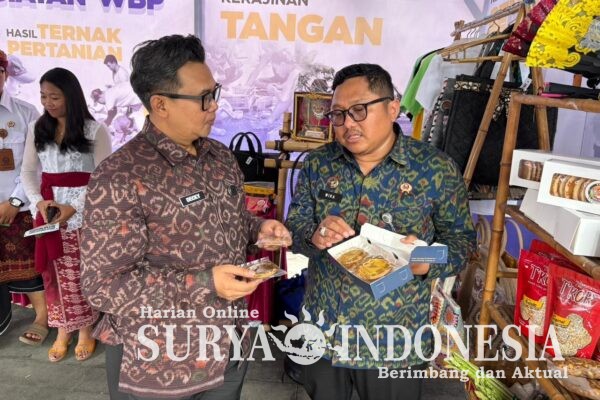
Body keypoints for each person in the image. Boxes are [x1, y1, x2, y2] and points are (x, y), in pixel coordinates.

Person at [79, 34, 291, 400]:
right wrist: (205, 283)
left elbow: (230, 221)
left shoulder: (220, 158)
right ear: (160, 104)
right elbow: (104, 285)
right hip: (157, 361)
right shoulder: (121, 176)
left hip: (228, 343)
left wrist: (258, 228)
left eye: (215, 92)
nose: (214, 106)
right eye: (203, 97)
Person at [285, 63, 476, 400]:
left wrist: (426, 259)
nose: (348, 123)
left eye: (359, 110)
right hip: (323, 332)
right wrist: (313, 235)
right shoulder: (318, 164)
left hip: (393, 340)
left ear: (392, 108)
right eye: (338, 114)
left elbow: (462, 243)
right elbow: (295, 227)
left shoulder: (435, 169)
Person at [20, 67, 112, 362]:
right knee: (53, 274)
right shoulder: (37, 128)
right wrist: (39, 202)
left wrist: (74, 207)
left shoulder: (94, 130)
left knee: (78, 273)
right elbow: (28, 171)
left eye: (55, 97)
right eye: (43, 96)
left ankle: (85, 329)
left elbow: (104, 178)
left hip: (84, 214)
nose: (48, 102)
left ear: (71, 96)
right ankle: (62, 329)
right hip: (48, 213)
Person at [0, 49, 48, 345]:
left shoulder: (26, 113)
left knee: (29, 269)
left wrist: (14, 202)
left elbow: (36, 165)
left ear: (5, 75)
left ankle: (42, 317)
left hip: (17, 208)